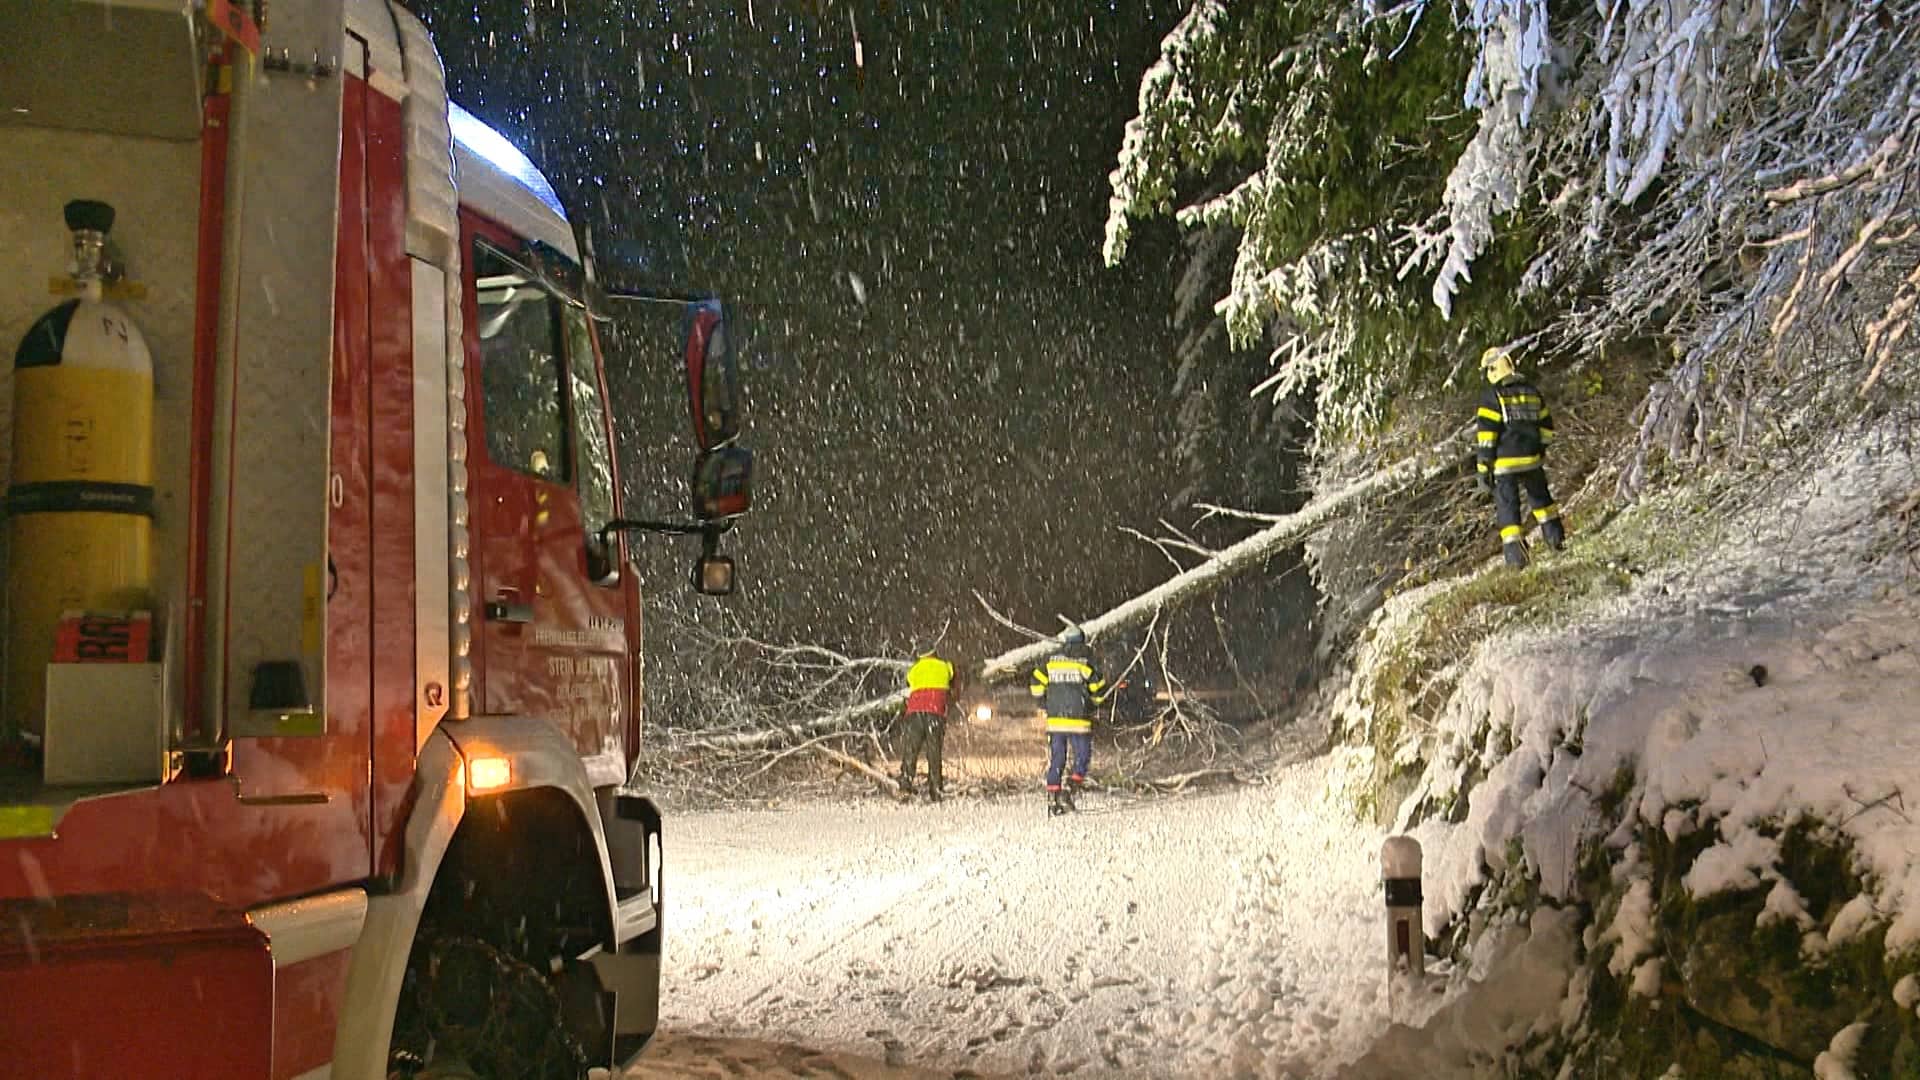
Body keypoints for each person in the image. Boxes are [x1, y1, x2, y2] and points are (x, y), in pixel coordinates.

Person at [1474, 346, 1566, 569]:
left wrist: (1484, 469)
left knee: (1508, 510)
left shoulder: (1493, 396)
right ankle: (1556, 539)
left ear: (1493, 370)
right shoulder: (1531, 391)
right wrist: (1540, 449)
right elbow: (1546, 426)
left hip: (1504, 465)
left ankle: (1517, 558)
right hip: (1532, 460)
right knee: (1542, 501)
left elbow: (1487, 437)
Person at [1029, 625, 1108, 815]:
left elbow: (1036, 682)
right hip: (1079, 720)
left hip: (1056, 721)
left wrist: (1044, 703)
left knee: (1057, 759)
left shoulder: (1051, 661)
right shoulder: (1086, 661)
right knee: (1082, 757)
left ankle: (1053, 796)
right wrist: (1093, 705)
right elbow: (1098, 689)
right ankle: (1071, 788)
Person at [898, 650, 956, 802]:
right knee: (934, 752)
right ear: (934, 652)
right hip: (935, 712)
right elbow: (952, 678)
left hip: (914, 713)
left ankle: (905, 786)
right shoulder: (945, 666)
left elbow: (909, 682)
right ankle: (935, 790)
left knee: (911, 751)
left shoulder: (914, 669)